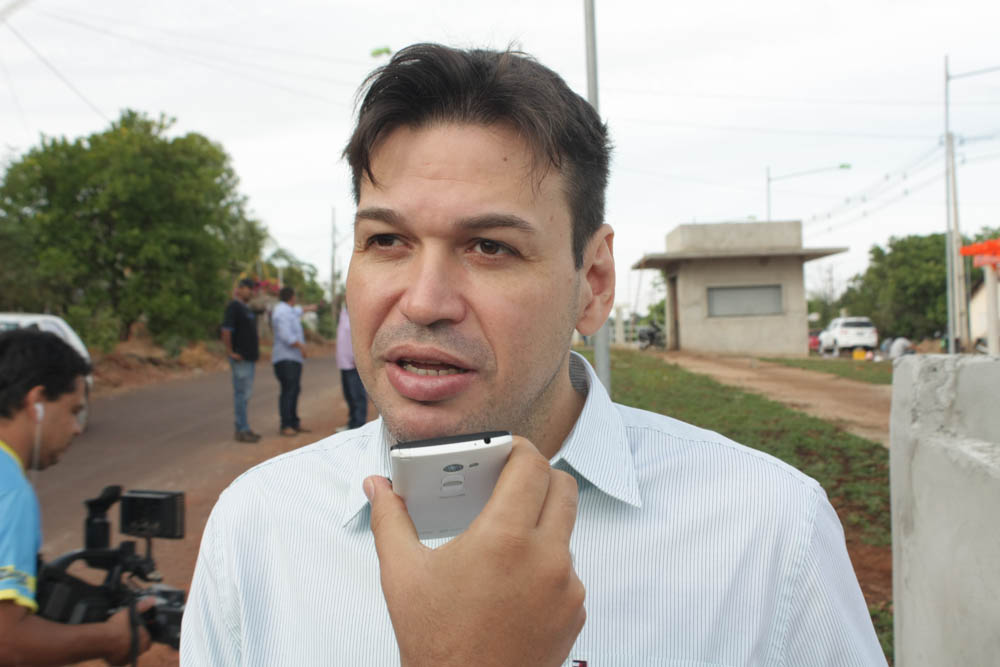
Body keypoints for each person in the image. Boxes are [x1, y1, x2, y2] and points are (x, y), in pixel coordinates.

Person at [182, 44, 886, 665]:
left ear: (594, 283)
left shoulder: (768, 533)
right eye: (387, 241)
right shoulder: (257, 530)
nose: (424, 301)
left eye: (491, 246)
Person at [0, 329, 155, 665]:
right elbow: (6, 642)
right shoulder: (10, 491)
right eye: (74, 411)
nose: (77, 428)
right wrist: (110, 638)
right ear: (37, 403)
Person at [221, 277, 261, 443]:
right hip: (241, 359)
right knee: (241, 394)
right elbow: (226, 330)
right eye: (249, 289)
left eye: (252, 290)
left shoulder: (246, 308)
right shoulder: (234, 307)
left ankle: (244, 427)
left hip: (248, 359)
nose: (251, 292)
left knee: (245, 395)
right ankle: (242, 429)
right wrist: (230, 352)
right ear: (241, 289)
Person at [271, 286, 313, 437]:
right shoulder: (281, 312)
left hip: (293, 358)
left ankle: (294, 422)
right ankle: (286, 425)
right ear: (292, 297)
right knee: (288, 391)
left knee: (294, 390)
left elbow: (299, 310)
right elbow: (286, 336)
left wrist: (311, 307)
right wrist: (302, 347)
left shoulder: (290, 310)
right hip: (285, 358)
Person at [336, 303, 367, 430]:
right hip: (343, 363)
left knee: (357, 395)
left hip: (354, 363)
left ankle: (359, 424)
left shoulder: (358, 315)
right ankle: (352, 423)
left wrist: (358, 357)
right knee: (348, 394)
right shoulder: (343, 313)